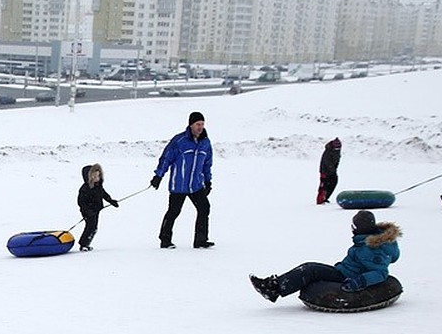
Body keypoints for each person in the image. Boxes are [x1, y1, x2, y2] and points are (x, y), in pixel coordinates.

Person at [249, 210, 401, 303]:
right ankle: (275, 285)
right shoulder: (371, 242)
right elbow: (391, 259)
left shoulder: (371, 248)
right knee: (310, 268)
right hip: (344, 271)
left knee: (309, 270)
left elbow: (380, 272)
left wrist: (359, 281)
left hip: (347, 277)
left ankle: (273, 288)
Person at [151, 111, 214, 249]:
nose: (200, 127)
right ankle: (165, 240)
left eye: (202, 124)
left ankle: (200, 240)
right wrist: (158, 176)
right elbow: (166, 158)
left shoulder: (206, 143)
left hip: (196, 185)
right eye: (198, 124)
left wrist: (208, 181)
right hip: (178, 185)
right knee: (174, 211)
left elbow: (207, 164)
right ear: (191, 125)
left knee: (204, 208)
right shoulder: (179, 141)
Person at [76, 163, 118, 252]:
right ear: (90, 177)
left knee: (94, 228)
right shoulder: (85, 189)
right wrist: (87, 211)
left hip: (96, 209)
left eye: (98, 176)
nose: (97, 178)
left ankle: (86, 244)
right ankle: (83, 244)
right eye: (95, 176)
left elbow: (104, 194)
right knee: (90, 227)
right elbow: (81, 202)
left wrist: (111, 201)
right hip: (88, 211)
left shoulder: (98, 186)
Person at [316, 138, 341, 204]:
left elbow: (337, 161)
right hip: (325, 171)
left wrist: (335, 169)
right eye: (336, 147)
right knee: (324, 185)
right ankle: (320, 200)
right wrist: (332, 171)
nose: (337, 149)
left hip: (332, 171)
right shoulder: (328, 151)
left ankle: (326, 197)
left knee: (333, 183)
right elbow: (327, 162)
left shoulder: (337, 152)